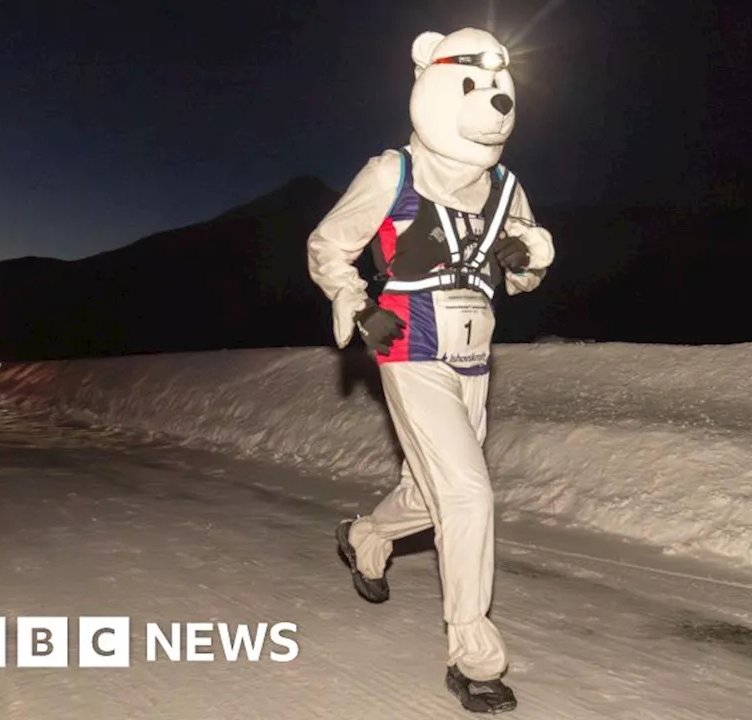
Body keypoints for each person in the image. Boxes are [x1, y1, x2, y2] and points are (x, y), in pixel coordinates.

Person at [306, 27, 554, 715]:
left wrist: (526, 257)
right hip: (408, 351)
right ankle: (473, 654)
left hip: (474, 360)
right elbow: (329, 246)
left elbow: (526, 271)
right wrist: (356, 304)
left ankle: (367, 537)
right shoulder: (394, 173)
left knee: (431, 491)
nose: (492, 104)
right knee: (469, 494)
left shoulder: (506, 187)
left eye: (499, 89)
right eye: (471, 86)